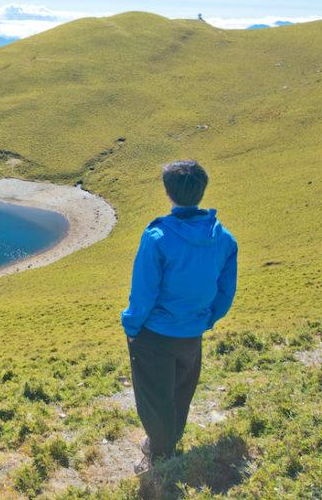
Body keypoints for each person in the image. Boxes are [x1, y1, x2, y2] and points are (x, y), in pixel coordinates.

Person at [121, 160, 237, 473]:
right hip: (191, 333)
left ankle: (160, 461)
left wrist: (131, 325)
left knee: (154, 401)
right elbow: (225, 292)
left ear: (168, 193)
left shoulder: (158, 236)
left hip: (154, 334)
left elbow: (143, 291)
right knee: (179, 395)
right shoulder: (224, 238)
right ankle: (165, 446)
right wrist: (206, 319)